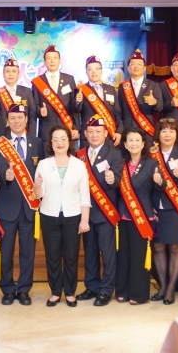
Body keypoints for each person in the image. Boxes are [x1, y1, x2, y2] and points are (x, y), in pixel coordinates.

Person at [33, 124, 90, 307]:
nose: (59, 143)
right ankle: (56, 292)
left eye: (63, 139)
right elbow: (38, 194)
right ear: (51, 143)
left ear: (69, 141)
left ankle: (70, 292)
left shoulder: (79, 165)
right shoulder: (44, 164)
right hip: (49, 215)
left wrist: (85, 220)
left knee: (71, 256)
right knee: (53, 256)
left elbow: (85, 195)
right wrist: (37, 185)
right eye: (55, 139)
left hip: (73, 216)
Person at [0, 103, 43, 306]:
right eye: (12, 118)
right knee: (6, 252)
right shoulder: (0, 143)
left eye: (20, 117)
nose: (17, 121)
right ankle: (7, 289)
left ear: (26, 119)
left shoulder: (37, 143)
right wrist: (6, 174)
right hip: (7, 207)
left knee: (27, 252)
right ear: (7, 121)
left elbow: (42, 170)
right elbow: (0, 166)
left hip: (30, 207)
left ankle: (23, 289)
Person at [75, 116, 123, 306]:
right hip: (86, 212)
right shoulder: (80, 154)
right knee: (90, 252)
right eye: (91, 132)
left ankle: (106, 290)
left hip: (105, 211)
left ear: (105, 134)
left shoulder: (114, 154)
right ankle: (92, 286)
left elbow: (118, 179)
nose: (94, 135)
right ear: (85, 134)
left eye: (98, 132)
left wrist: (113, 179)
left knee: (107, 253)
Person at [149, 119, 178, 304]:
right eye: (164, 131)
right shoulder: (151, 153)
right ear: (158, 134)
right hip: (155, 207)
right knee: (158, 247)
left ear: (177, 135)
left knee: (175, 247)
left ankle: (171, 288)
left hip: (177, 207)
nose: (167, 134)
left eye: (171, 131)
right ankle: (162, 286)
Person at [115, 126, 163, 305]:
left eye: (137, 140)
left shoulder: (151, 164)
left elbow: (160, 187)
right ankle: (122, 291)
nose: (134, 144)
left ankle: (138, 294)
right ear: (125, 144)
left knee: (138, 256)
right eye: (130, 140)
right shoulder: (121, 164)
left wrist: (160, 182)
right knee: (123, 255)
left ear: (143, 144)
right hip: (123, 215)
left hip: (142, 215)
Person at [32, 44, 80, 143]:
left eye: (55, 58)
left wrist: (76, 127)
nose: (52, 61)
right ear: (44, 62)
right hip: (46, 132)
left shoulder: (69, 79)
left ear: (60, 60)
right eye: (49, 58)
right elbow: (34, 107)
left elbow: (74, 108)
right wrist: (40, 111)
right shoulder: (37, 82)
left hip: (67, 130)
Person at [76, 55, 122, 149]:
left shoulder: (111, 89)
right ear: (86, 72)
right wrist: (77, 102)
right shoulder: (80, 90)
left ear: (101, 71)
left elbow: (117, 112)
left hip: (109, 135)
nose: (94, 72)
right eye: (90, 69)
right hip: (89, 136)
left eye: (97, 69)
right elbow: (76, 111)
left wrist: (119, 132)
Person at [118, 49, 163, 144]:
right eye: (133, 64)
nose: (136, 67)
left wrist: (154, 102)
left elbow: (160, 107)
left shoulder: (153, 85)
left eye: (139, 64)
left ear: (144, 68)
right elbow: (119, 111)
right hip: (127, 130)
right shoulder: (122, 86)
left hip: (146, 130)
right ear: (128, 68)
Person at [0, 57, 36, 137]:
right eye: (7, 71)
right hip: (2, 134)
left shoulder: (27, 92)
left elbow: (32, 115)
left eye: (14, 71)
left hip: (23, 134)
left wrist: (32, 137)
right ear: (3, 74)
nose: (10, 74)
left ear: (18, 74)